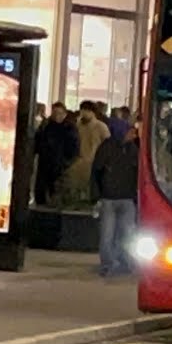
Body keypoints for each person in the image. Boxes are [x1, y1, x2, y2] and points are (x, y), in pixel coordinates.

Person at [92, 122, 139, 277]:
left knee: (126, 233)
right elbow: (96, 173)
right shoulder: (107, 148)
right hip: (109, 198)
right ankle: (108, 264)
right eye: (131, 132)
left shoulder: (133, 149)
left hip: (126, 198)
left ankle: (123, 261)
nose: (133, 135)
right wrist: (97, 196)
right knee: (108, 234)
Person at [33, 102, 78, 206]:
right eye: (55, 113)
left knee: (57, 190)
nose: (57, 116)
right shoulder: (46, 126)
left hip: (61, 165)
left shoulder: (69, 128)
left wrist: (67, 162)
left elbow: (74, 147)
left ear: (65, 114)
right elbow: (38, 142)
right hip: (45, 163)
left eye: (60, 113)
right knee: (43, 189)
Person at [66, 100, 110, 197]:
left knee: (89, 189)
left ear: (93, 112)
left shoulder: (101, 127)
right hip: (78, 162)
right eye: (82, 110)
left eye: (87, 110)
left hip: (94, 163)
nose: (84, 113)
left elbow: (107, 146)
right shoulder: (77, 126)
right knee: (75, 188)